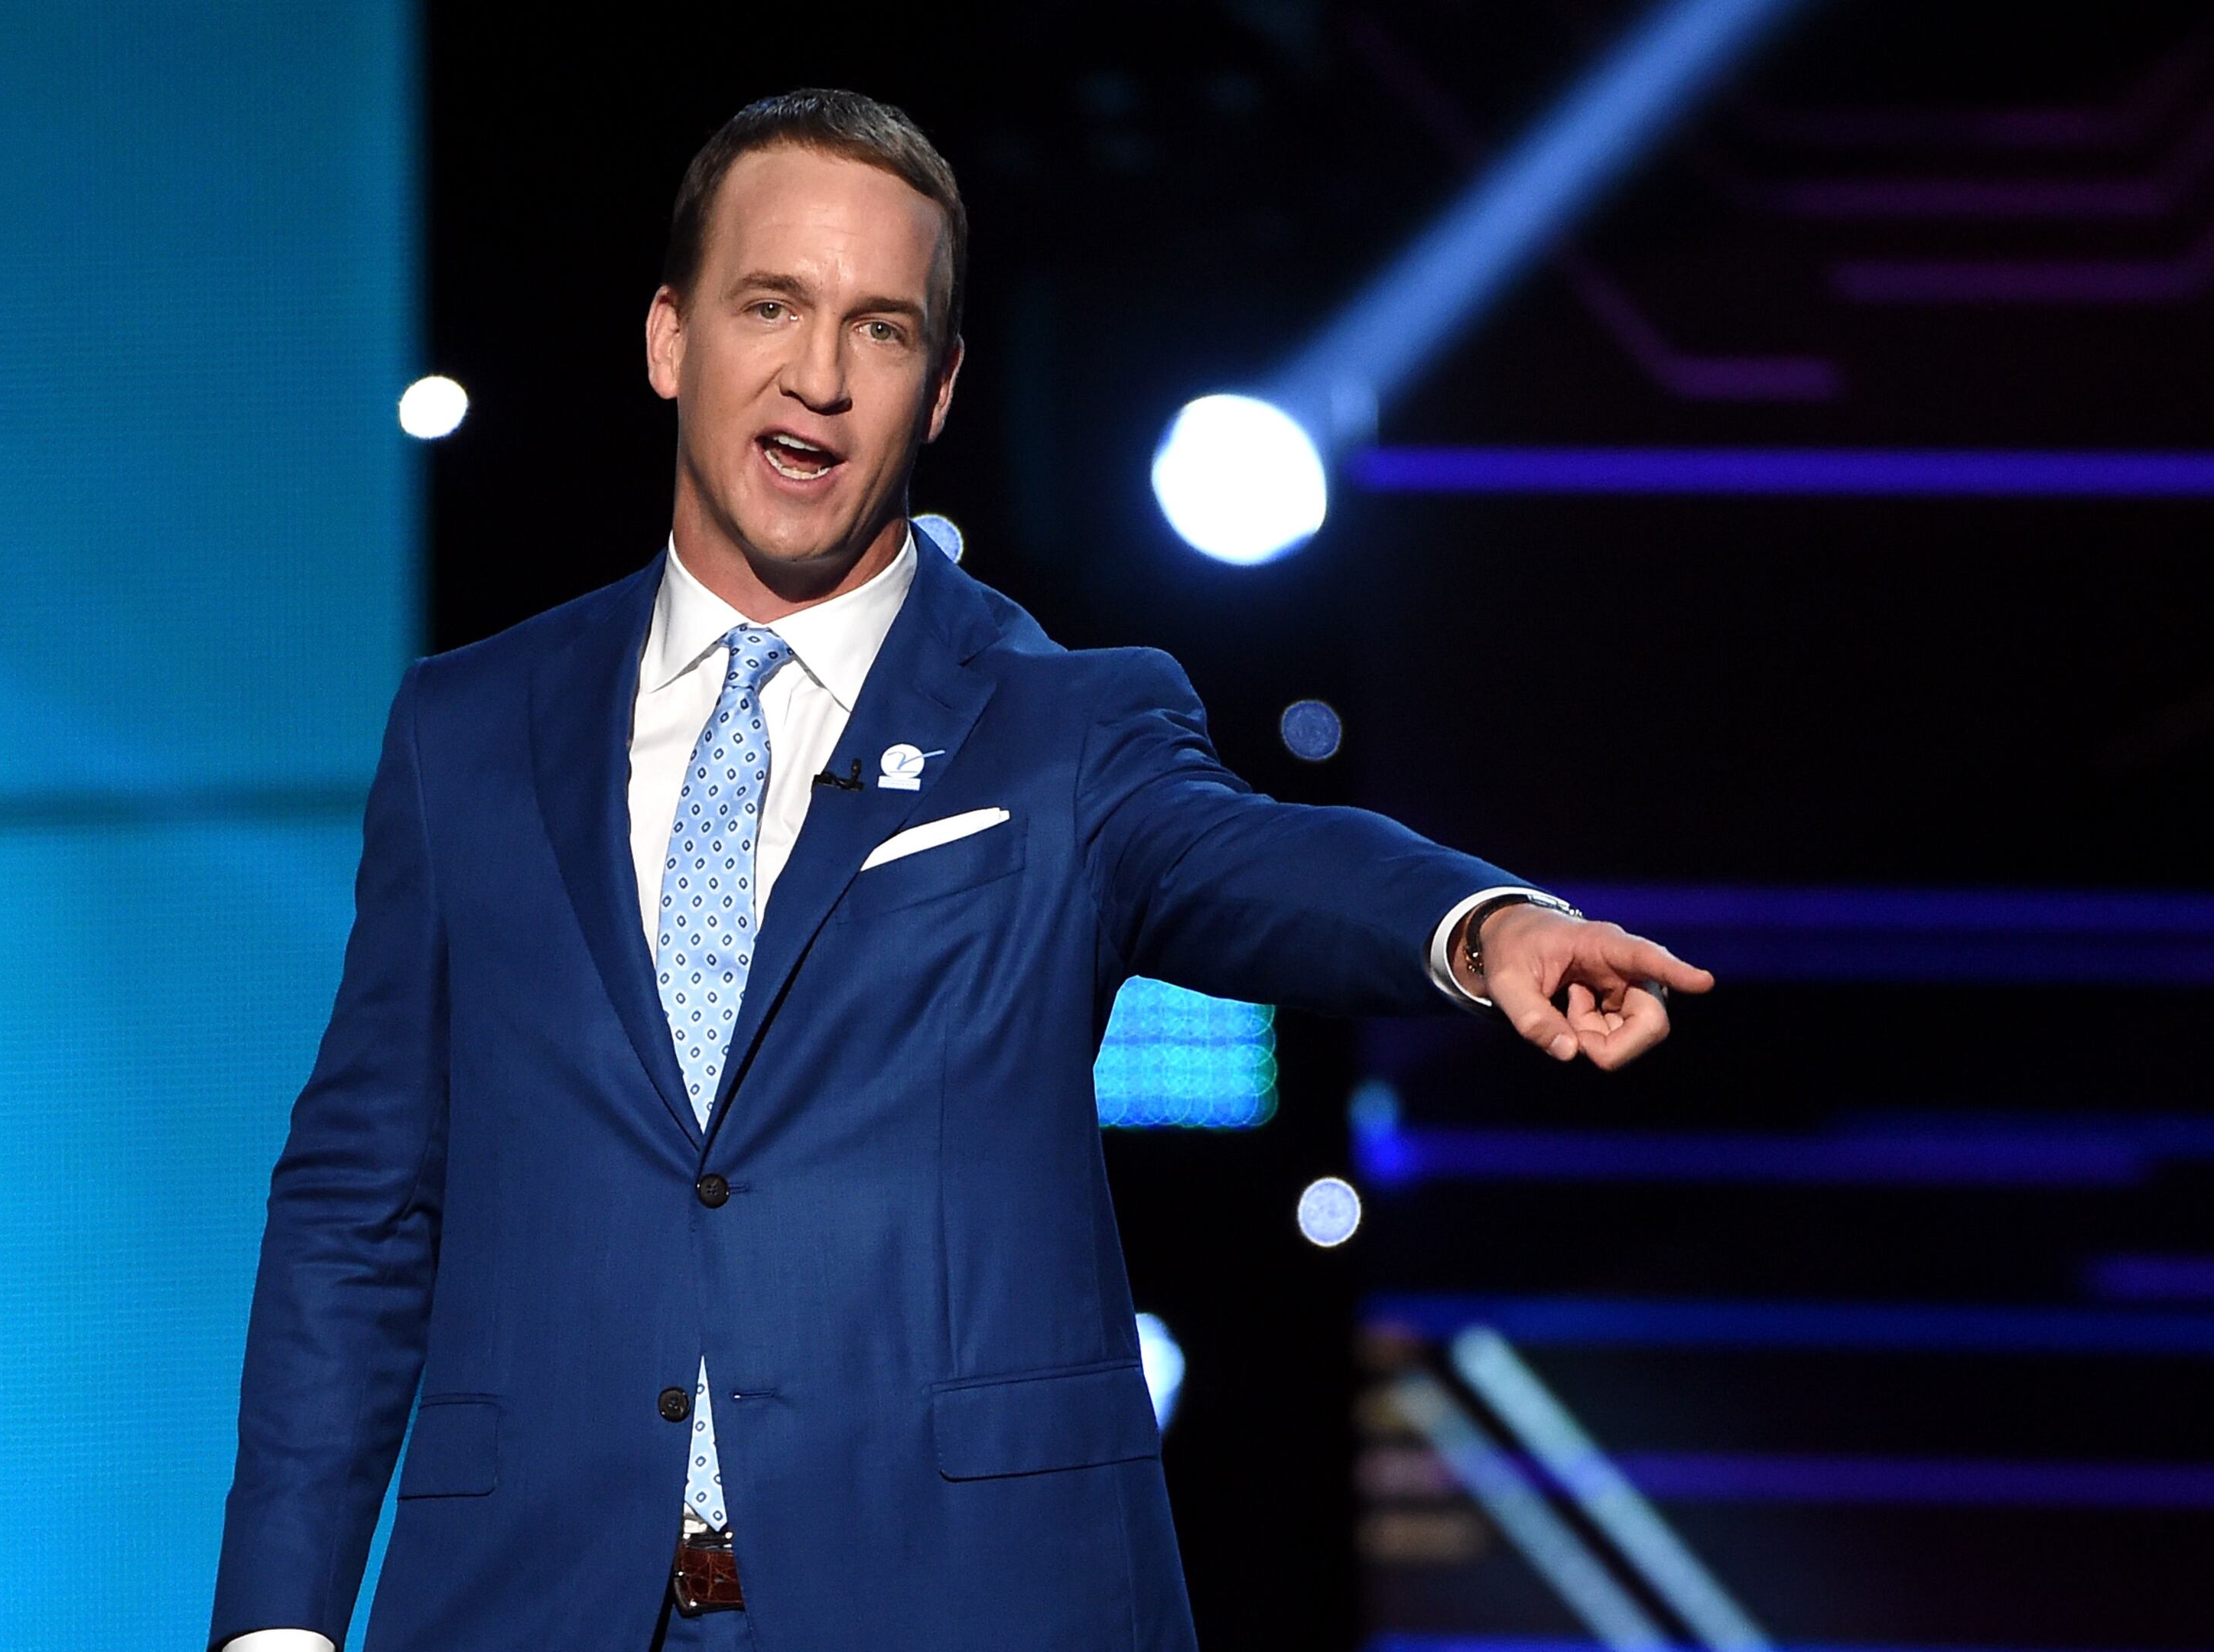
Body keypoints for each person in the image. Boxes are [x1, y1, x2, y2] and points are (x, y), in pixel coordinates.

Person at [207, 88, 1712, 1652]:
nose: (816, 376)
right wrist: (278, 1624)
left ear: (937, 390)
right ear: (670, 339)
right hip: (532, 1598)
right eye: (771, 306)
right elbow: (357, 1207)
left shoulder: (1063, 724)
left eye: (880, 328)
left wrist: (1480, 929)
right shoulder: (466, 730)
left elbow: (1258, 856)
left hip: (955, 1591)